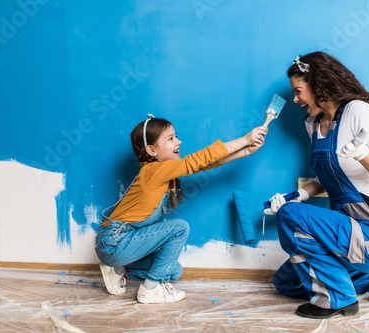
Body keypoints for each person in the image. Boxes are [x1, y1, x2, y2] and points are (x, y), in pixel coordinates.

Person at [267, 52, 369, 319]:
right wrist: (297, 196)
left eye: (299, 91)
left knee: (289, 218)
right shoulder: (313, 124)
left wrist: (362, 154)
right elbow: (329, 178)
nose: (295, 100)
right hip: (347, 232)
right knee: (285, 282)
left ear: (319, 87)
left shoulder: (357, 111)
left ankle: (338, 299)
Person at [95, 114, 267, 304]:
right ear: (151, 150)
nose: (179, 141)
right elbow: (198, 160)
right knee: (179, 227)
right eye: (171, 139)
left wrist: (245, 151)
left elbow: (205, 165)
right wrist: (244, 139)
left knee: (173, 270)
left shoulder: (163, 173)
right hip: (114, 243)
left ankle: (119, 269)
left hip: (120, 245)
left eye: (176, 136)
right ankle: (150, 290)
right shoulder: (153, 171)